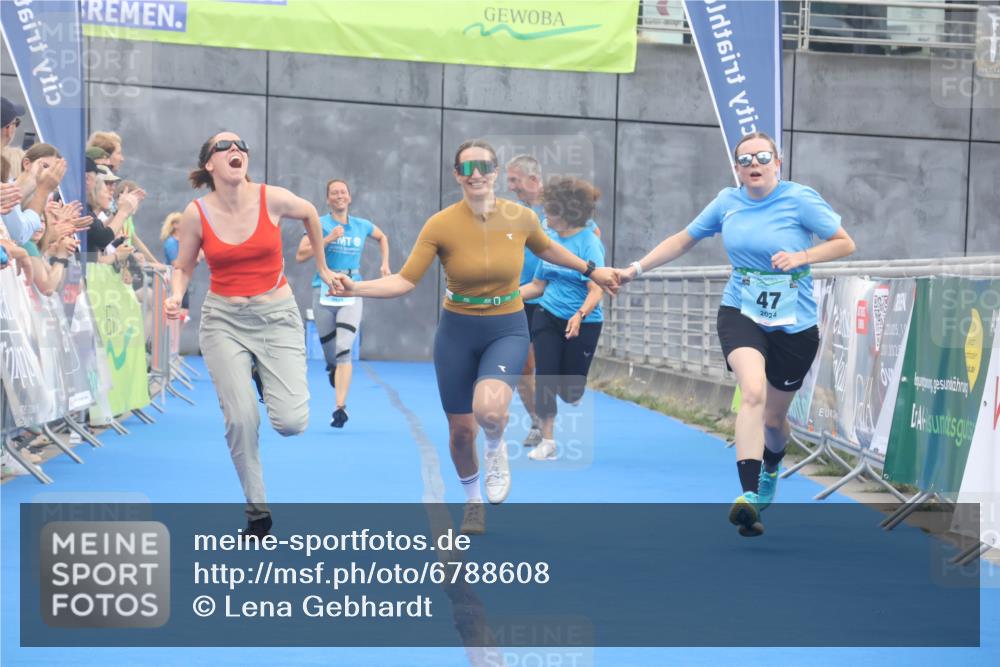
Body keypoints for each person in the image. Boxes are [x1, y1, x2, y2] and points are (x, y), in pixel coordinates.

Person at [332, 139, 618, 534]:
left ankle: (496, 448)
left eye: (484, 166)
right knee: (461, 432)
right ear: (457, 175)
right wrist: (355, 289)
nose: (476, 174)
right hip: (457, 331)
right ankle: (472, 501)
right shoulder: (441, 224)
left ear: (496, 173)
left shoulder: (521, 218)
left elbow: (551, 249)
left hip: (507, 326)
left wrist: (592, 270)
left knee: (489, 411)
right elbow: (403, 281)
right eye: (467, 168)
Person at [616, 132, 855, 537]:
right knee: (753, 392)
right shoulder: (727, 202)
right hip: (741, 309)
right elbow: (682, 240)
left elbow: (845, 243)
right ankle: (747, 497)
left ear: (777, 162)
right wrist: (635, 269)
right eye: (744, 160)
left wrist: (802, 256)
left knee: (775, 420)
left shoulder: (800, 199)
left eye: (762, 156)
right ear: (737, 168)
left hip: (794, 324)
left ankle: (772, 467)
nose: (753, 164)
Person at [164, 131, 339, 538]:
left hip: (275, 315)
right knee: (241, 419)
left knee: (291, 423)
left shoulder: (271, 197)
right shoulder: (196, 213)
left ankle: (261, 372)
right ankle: (257, 512)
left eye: (241, 146)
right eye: (224, 147)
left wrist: (325, 270)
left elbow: (312, 212)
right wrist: (175, 295)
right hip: (224, 320)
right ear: (210, 163)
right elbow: (184, 266)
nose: (235, 151)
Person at [506, 154, 602, 448]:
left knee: (567, 386)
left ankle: (563, 395)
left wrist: (592, 289)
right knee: (531, 367)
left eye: (514, 180)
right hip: (536, 295)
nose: (510, 187)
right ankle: (541, 427)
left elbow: (592, 265)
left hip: (570, 304)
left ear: (533, 180)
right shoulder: (514, 212)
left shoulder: (580, 227)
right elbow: (533, 278)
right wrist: (499, 296)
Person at [295, 178, 391, 428]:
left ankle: (340, 408)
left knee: (344, 349)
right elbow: (300, 256)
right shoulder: (320, 224)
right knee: (331, 354)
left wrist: (384, 264)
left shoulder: (361, 225)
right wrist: (326, 240)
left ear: (349, 197)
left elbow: (382, 238)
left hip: (351, 289)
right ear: (328, 199)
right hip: (324, 290)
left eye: (343, 192)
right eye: (334, 193)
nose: (339, 196)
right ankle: (331, 368)